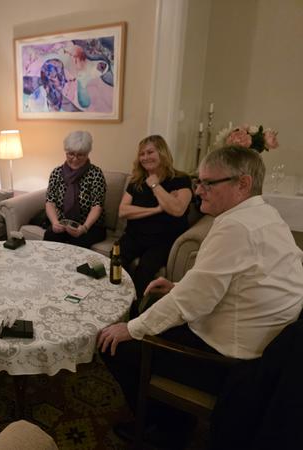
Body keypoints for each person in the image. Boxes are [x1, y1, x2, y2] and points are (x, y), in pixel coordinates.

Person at [98, 146, 303, 446]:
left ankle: (166, 428)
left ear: (243, 184)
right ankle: (173, 418)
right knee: (154, 306)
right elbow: (229, 283)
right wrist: (178, 286)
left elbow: (192, 302)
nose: (198, 191)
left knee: (114, 345)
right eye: (199, 182)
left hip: (231, 362)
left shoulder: (235, 227)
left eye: (208, 183)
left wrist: (130, 328)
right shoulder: (267, 214)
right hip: (266, 347)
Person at [118, 135, 192, 303]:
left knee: (144, 270)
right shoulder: (137, 180)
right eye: (142, 154)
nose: (145, 157)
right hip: (135, 235)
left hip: (163, 240)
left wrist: (154, 185)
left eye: (150, 152)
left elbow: (177, 209)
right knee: (115, 261)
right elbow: (123, 211)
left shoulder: (181, 180)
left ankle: (136, 309)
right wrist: (157, 209)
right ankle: (115, 300)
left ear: (162, 152)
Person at [43, 130, 107, 248]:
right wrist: (55, 223)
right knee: (50, 235)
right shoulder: (57, 173)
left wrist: (84, 228)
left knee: (78, 242)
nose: (75, 159)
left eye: (80, 155)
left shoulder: (96, 174)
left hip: (90, 226)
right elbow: (50, 202)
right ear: (66, 152)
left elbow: (97, 206)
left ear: (87, 154)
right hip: (64, 223)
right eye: (71, 154)